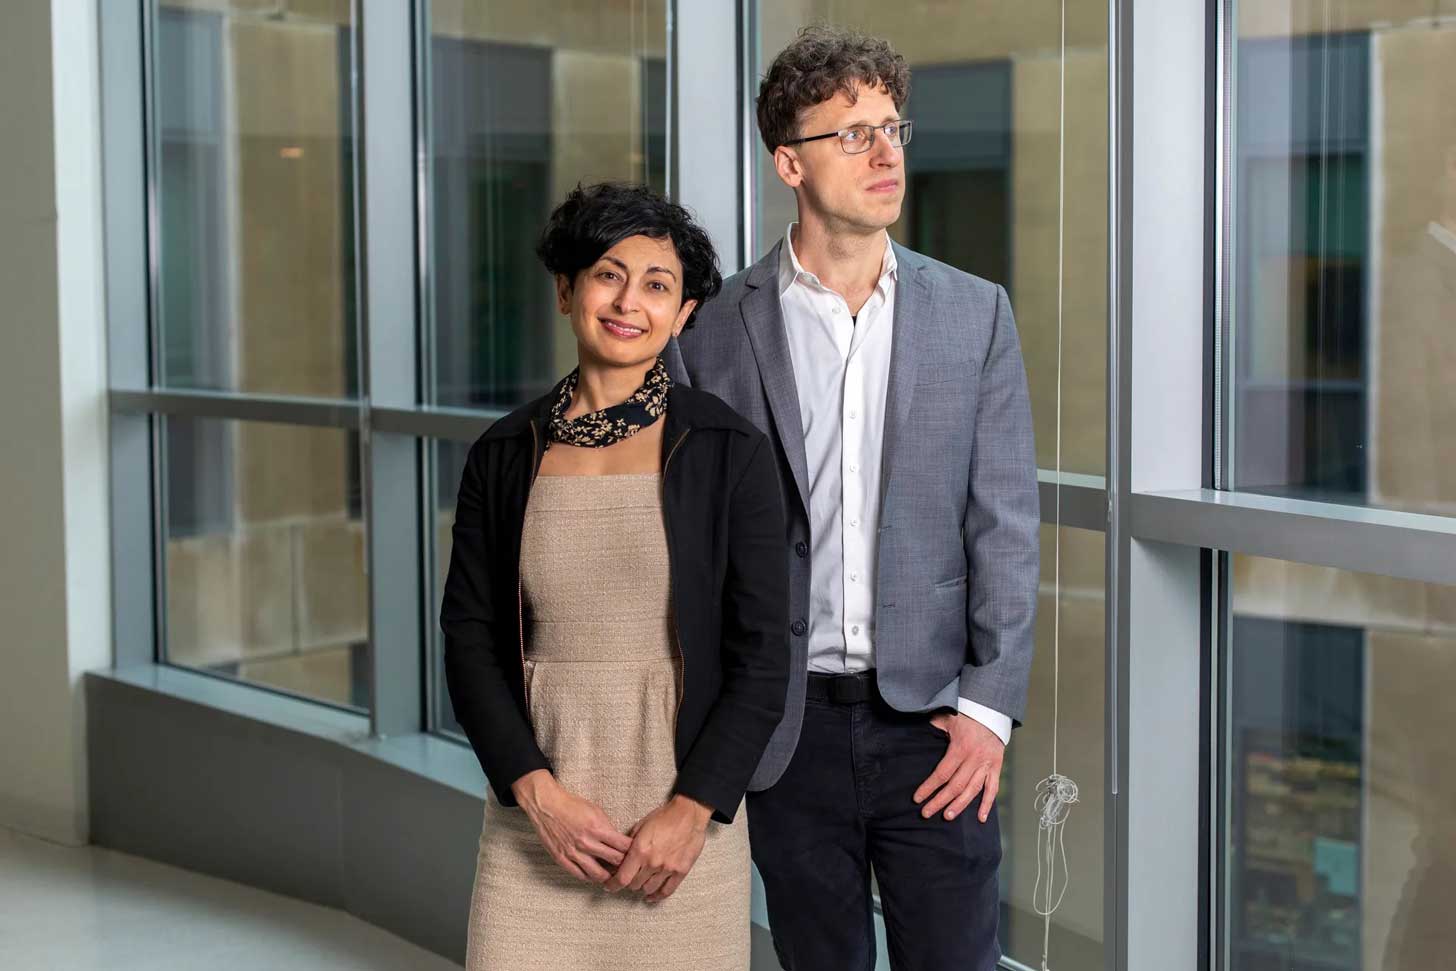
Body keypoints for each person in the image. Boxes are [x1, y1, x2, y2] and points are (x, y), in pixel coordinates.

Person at [666, 24, 1039, 971]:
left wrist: (989, 712)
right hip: (784, 731)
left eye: (893, 128)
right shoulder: (710, 335)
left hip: (937, 729)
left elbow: (1004, 525)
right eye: (853, 134)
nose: (886, 154)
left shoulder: (977, 314)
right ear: (789, 162)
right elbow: (691, 548)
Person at [441, 182, 789, 971]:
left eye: (658, 285)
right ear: (567, 290)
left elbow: (764, 655)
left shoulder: (729, 451)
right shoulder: (503, 454)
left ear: (684, 312)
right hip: (538, 818)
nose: (630, 301)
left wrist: (693, 810)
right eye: (608, 274)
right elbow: (470, 639)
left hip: (681, 822)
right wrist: (536, 794)